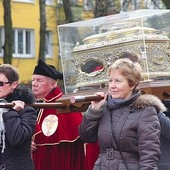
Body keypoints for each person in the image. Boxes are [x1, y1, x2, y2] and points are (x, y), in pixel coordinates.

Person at [79, 58, 162, 169]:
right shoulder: (104, 106)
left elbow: (150, 156)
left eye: (118, 81)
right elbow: (86, 137)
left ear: (132, 84)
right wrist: (94, 110)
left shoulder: (145, 111)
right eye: (110, 80)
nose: (112, 86)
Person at [31, 59, 85, 170]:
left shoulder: (63, 104)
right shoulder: (42, 102)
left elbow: (72, 138)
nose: (34, 84)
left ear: (53, 84)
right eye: (33, 80)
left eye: (39, 80)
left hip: (58, 160)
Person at [0, 64, 36, 170]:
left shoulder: (27, 110)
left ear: (14, 84)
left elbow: (17, 139)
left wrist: (12, 112)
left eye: (0, 83)